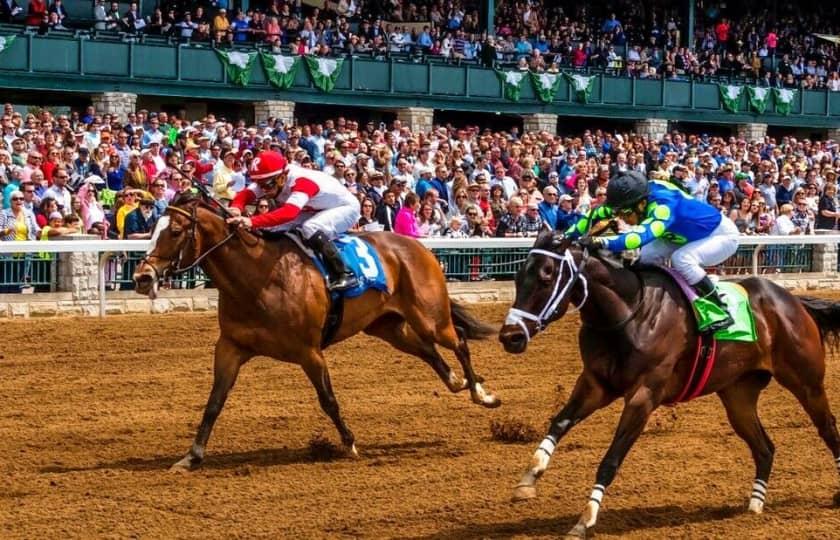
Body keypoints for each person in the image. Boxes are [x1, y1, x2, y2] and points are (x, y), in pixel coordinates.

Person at [575, 172, 739, 333]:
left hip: (720, 235)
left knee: (682, 259)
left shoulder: (663, 206)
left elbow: (639, 238)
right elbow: (597, 213)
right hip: (680, 235)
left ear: (640, 204)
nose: (621, 217)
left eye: (624, 212)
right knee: (643, 259)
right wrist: (567, 235)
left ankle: (721, 309)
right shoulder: (639, 195)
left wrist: (602, 241)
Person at [227, 151, 361, 291]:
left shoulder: (301, 181)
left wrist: (252, 221)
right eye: (259, 184)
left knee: (311, 227)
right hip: (314, 208)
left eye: (266, 185)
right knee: (271, 228)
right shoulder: (271, 178)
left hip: (345, 207)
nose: (263, 190)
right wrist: (236, 207)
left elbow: (289, 213)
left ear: (282, 177)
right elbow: (246, 194)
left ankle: (345, 273)